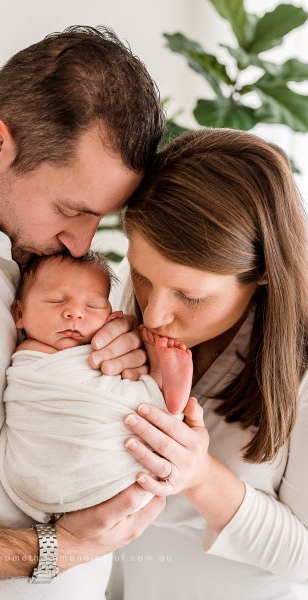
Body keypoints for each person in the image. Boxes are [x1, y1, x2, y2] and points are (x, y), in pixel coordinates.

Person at [0, 26, 167, 597]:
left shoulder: (39, 248)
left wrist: (102, 357)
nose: (81, 244)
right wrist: (59, 550)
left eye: (100, 219)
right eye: (70, 210)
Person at [106, 127, 308, 600]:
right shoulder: (146, 305)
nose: (154, 314)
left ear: (260, 276)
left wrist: (200, 478)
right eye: (140, 276)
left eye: (190, 297)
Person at [0, 251, 192, 521]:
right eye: (56, 300)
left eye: (93, 306)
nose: (75, 313)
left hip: (112, 461)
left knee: (143, 406)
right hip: (45, 469)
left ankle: (163, 389)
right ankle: (163, 391)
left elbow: (107, 395)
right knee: (144, 402)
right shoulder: (28, 357)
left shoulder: (110, 347)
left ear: (110, 316)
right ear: (19, 313)